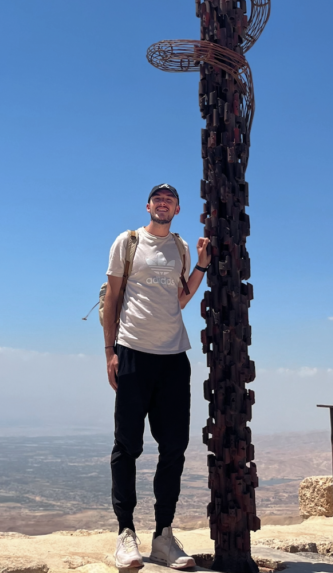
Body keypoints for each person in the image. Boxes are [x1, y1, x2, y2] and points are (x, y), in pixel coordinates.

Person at [103, 183, 210, 570]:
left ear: (177, 209)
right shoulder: (128, 242)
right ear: (148, 205)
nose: (163, 203)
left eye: (170, 200)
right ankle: (125, 533)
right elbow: (112, 298)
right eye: (158, 198)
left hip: (172, 357)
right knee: (127, 446)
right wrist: (110, 351)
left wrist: (200, 265)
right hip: (133, 351)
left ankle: (163, 535)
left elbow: (180, 299)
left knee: (174, 447)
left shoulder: (180, 248)